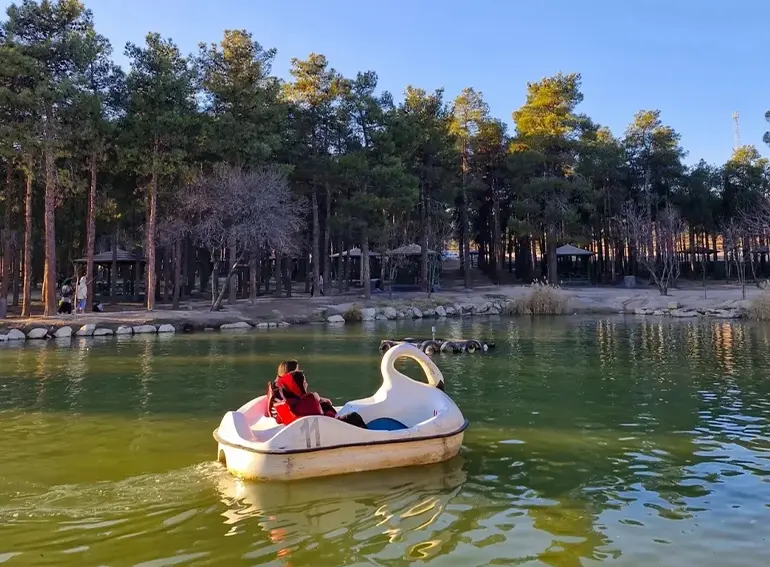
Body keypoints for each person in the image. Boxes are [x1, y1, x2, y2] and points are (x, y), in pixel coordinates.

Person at [269, 367, 367, 428]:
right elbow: (321, 414)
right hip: (328, 427)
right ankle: (368, 436)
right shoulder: (308, 400)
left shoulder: (290, 402)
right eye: (304, 383)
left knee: (325, 404)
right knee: (353, 416)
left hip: (312, 424)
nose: (306, 384)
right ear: (297, 387)